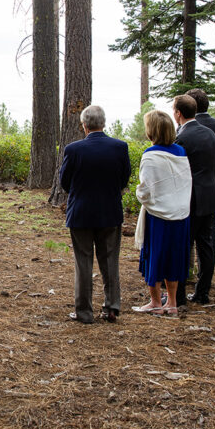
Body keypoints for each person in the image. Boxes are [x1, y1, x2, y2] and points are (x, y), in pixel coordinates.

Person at [59, 105, 131, 324]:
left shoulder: (73, 150)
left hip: (81, 212)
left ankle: (84, 312)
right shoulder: (120, 147)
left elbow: (65, 182)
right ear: (104, 123)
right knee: (110, 260)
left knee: (83, 262)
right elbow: (124, 178)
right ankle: (111, 307)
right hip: (110, 211)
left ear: (84, 125)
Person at [133, 110, 191, 316]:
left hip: (158, 214)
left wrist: (140, 196)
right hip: (181, 213)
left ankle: (156, 301)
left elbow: (146, 189)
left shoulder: (150, 155)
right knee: (174, 256)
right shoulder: (181, 152)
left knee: (155, 255)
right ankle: (172, 302)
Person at [172, 94, 215, 308]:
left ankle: (180, 296)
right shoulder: (210, 134)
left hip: (189, 197)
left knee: (184, 246)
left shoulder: (182, 138)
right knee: (207, 246)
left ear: (178, 113)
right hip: (210, 194)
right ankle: (203, 292)